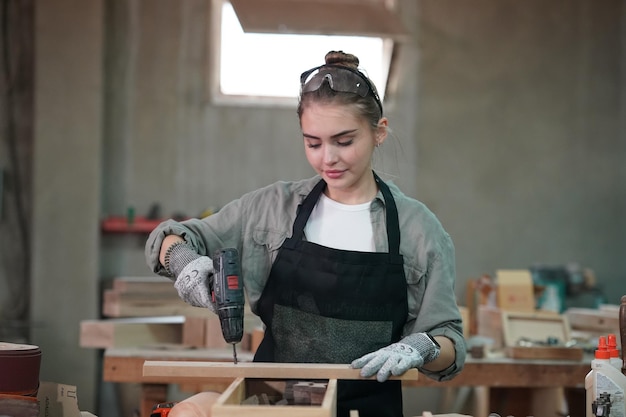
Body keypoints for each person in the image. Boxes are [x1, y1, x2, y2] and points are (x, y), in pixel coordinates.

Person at [145, 50, 466, 417]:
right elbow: (170, 238)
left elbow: (450, 345)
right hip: (274, 410)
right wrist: (184, 261)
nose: (327, 158)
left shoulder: (419, 231)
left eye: (344, 141)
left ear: (379, 132)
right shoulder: (272, 209)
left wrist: (423, 346)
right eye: (313, 143)